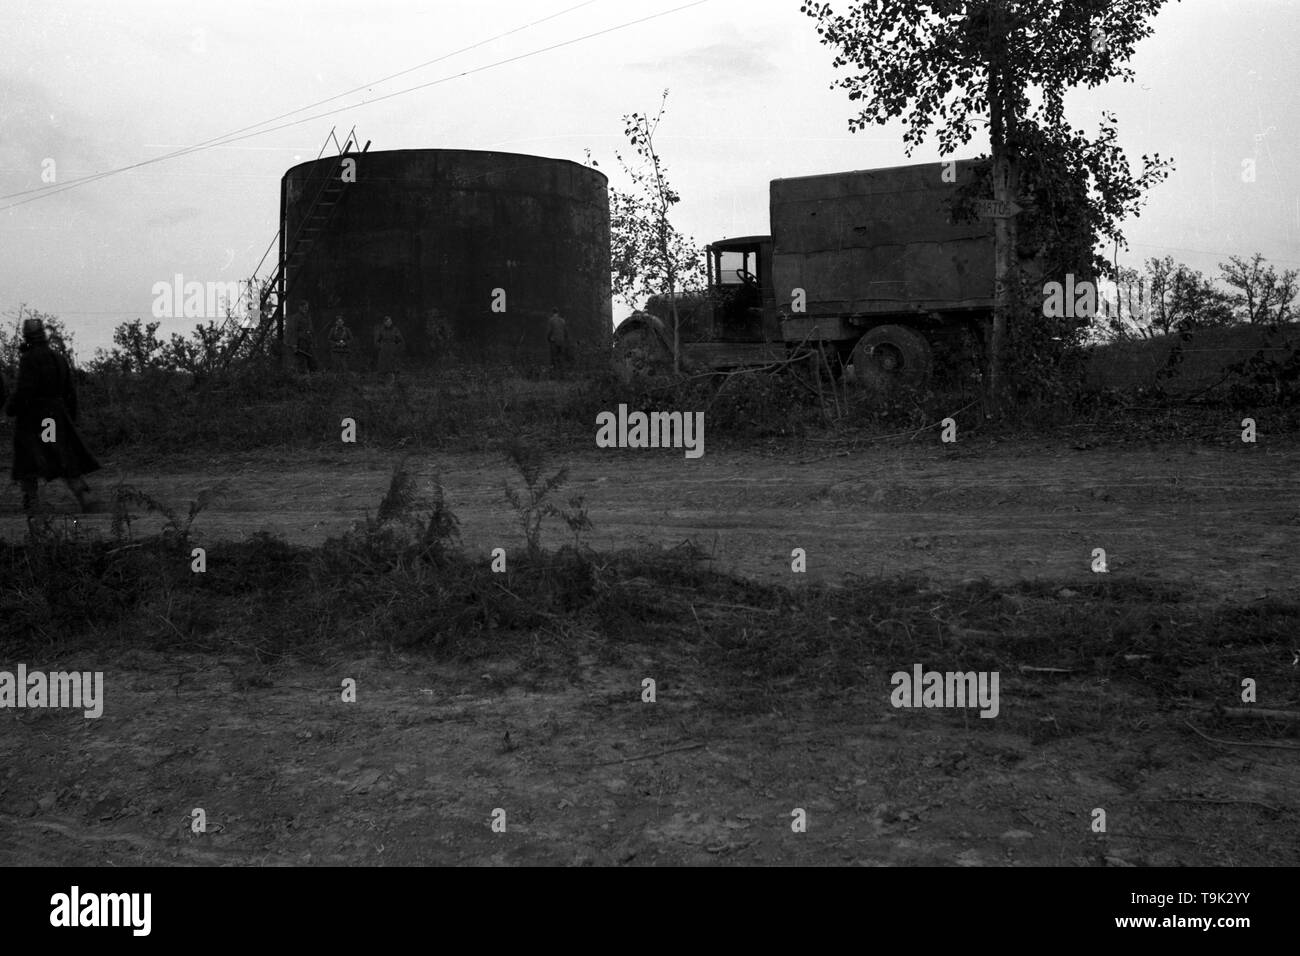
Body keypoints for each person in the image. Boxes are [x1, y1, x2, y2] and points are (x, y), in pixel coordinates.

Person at [5, 317, 99, 514]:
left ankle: (32, 501)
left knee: (28, 457)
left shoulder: (30, 359)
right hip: (55, 415)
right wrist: (69, 417)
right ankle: (83, 494)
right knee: (59, 453)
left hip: (36, 418)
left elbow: (25, 390)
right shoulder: (57, 357)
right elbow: (70, 391)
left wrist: (12, 408)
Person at [374, 316, 405, 384]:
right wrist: (380, 347)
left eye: (390, 321)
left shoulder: (395, 329)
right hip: (383, 350)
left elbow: (400, 340)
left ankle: (395, 381)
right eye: (387, 322)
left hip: (392, 349)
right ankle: (382, 381)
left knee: (394, 365)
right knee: (383, 366)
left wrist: (396, 347)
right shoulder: (381, 330)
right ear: (384, 323)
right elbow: (376, 341)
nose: (389, 323)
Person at [292, 301, 316, 373]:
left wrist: (313, 340)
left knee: (312, 361)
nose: (306, 309)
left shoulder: (308, 317)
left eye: (307, 307)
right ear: (300, 307)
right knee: (302, 362)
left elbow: (311, 329)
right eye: (304, 307)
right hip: (301, 342)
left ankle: (313, 378)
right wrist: (295, 344)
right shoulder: (296, 317)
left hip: (309, 342)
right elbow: (294, 331)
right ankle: (302, 379)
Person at [546, 307, 569, 376]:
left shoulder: (551, 320)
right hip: (561, 341)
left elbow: (550, 331)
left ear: (552, 313)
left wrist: (548, 338)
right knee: (561, 357)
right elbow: (566, 332)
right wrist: (564, 340)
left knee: (553, 357)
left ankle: (553, 373)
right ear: (558, 313)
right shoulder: (562, 320)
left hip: (554, 341)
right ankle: (562, 373)